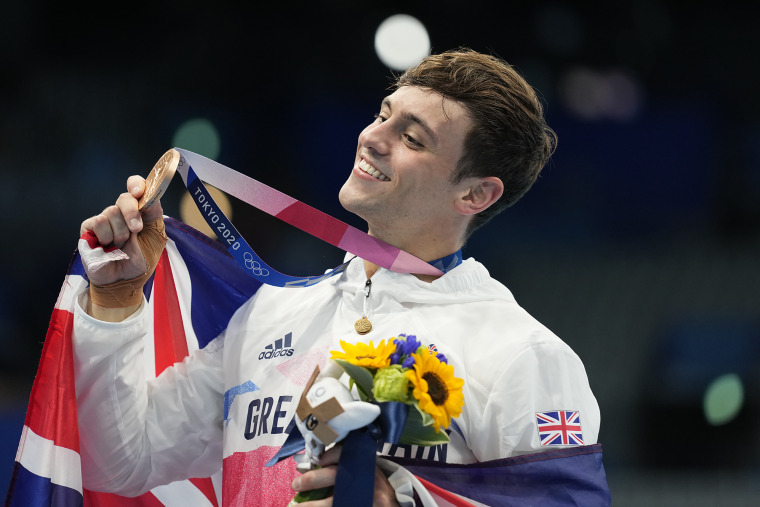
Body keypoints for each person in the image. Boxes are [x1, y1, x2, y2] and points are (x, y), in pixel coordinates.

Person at [73, 48, 601, 506]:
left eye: (411, 138)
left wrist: (410, 501)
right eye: (382, 114)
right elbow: (118, 464)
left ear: (475, 195)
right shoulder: (270, 315)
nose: (372, 137)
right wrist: (116, 303)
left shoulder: (520, 352)